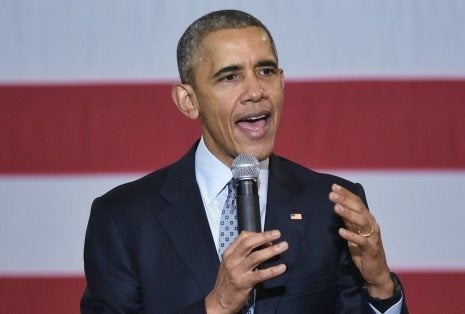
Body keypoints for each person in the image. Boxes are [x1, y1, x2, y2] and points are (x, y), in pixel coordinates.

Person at [81, 9, 408, 314]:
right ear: (189, 101)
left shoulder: (330, 204)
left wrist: (379, 285)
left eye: (265, 71)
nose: (256, 91)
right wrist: (217, 305)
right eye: (230, 77)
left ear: (281, 82)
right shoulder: (122, 218)